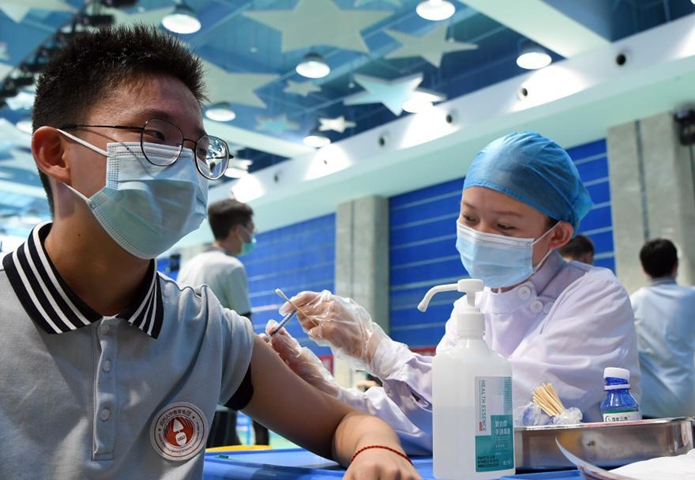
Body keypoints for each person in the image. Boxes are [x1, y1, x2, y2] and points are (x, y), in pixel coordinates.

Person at [0, 26, 419, 479]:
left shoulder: (208, 331)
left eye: (198, 149)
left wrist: (375, 445)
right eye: (155, 135)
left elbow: (344, 423)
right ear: (56, 154)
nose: (185, 167)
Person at [268, 131, 641, 453]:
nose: (479, 236)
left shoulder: (594, 295)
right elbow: (438, 422)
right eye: (469, 217)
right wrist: (330, 394)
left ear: (557, 235)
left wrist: (377, 350)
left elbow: (511, 408)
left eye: (505, 226)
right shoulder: (473, 302)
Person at [177, 198, 269, 446]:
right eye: (251, 228)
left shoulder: (190, 264)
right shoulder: (231, 267)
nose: (253, 234)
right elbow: (244, 331)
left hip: (185, 376)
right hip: (219, 380)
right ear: (238, 231)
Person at [630, 238, 695, 418]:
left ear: (644, 269)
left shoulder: (634, 302)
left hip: (650, 404)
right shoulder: (692, 297)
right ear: (676, 265)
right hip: (689, 400)